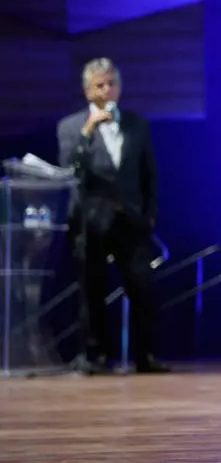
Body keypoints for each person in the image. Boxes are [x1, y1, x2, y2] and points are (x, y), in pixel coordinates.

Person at [57, 58, 167, 374]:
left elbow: (150, 174)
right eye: (100, 85)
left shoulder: (137, 125)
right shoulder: (70, 127)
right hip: (91, 223)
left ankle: (145, 356)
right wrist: (87, 132)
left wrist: (150, 213)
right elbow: (68, 169)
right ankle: (96, 356)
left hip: (131, 221)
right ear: (87, 90)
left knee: (142, 288)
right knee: (92, 291)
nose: (107, 90)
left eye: (112, 83)